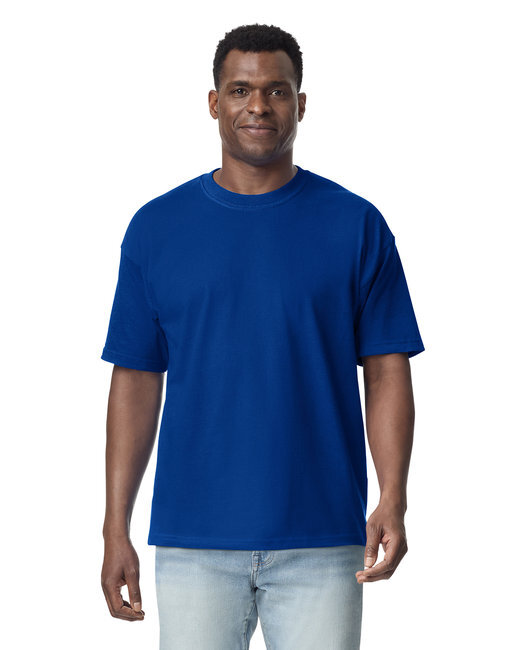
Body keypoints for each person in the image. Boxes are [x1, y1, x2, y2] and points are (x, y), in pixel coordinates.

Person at [100, 23, 425, 650]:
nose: (258, 106)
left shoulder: (356, 225)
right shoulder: (156, 228)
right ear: (214, 102)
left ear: (300, 103)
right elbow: (136, 378)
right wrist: (116, 527)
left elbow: (387, 368)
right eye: (241, 89)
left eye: (276, 91)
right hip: (194, 539)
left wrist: (394, 496)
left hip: (323, 538)